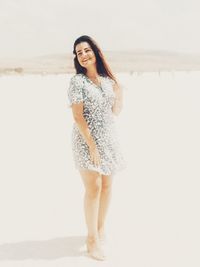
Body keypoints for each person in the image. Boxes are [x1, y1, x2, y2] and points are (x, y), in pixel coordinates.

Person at [67, 35, 125, 261]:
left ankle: (100, 229)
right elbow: (77, 116)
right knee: (94, 187)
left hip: (109, 138)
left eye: (86, 50)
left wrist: (119, 96)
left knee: (108, 185)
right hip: (86, 139)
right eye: (78, 52)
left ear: (95, 52)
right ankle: (91, 239)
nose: (83, 55)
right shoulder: (77, 82)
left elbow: (115, 111)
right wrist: (92, 145)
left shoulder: (108, 81)